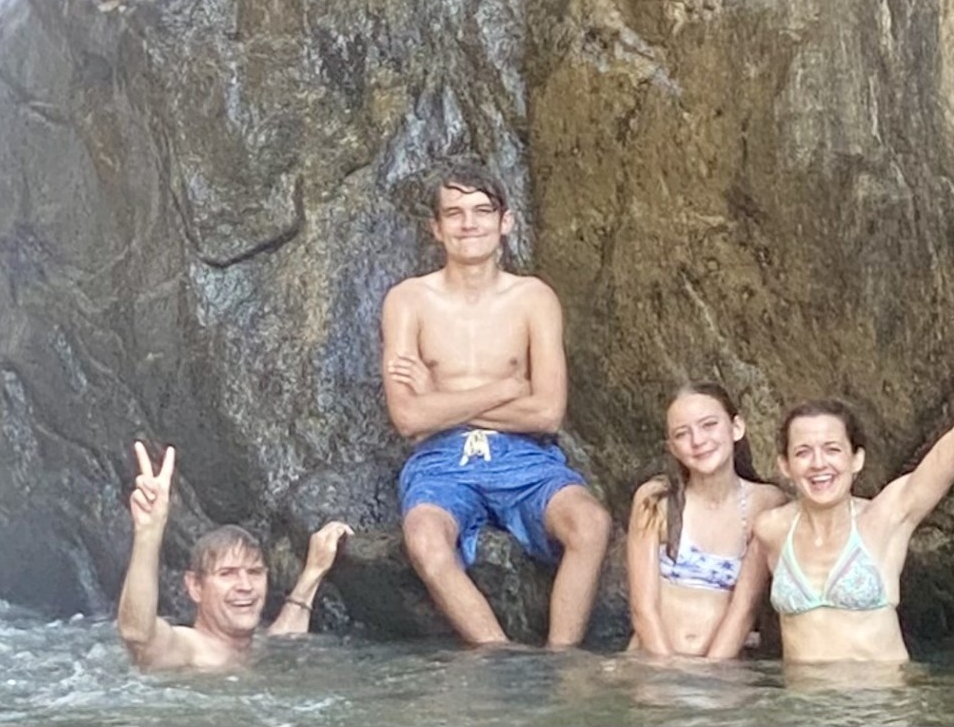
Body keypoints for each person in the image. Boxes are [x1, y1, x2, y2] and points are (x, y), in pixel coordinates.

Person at [381, 157, 611, 647]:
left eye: (482, 211)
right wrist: (506, 389)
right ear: (436, 228)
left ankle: (561, 661)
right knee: (424, 539)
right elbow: (407, 418)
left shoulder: (533, 298)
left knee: (590, 523)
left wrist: (438, 399)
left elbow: (547, 412)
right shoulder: (408, 301)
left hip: (524, 456)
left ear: (505, 222)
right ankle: (501, 655)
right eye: (455, 213)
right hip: (442, 461)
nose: (469, 224)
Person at [754, 282, 954, 666]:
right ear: (784, 466)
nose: (819, 464)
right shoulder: (771, 529)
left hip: (883, 710)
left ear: (857, 459)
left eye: (832, 450)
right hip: (803, 713)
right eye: (803, 452)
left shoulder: (887, 517)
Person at [116, 440, 352, 672]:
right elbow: (138, 635)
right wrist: (148, 532)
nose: (245, 585)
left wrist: (314, 570)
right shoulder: (188, 649)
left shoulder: (258, 647)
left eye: (254, 572)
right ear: (195, 586)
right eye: (227, 573)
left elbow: (285, 638)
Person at [625, 382, 786, 657]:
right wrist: (666, 671)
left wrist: (710, 673)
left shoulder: (767, 502)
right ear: (673, 447)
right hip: (652, 662)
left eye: (709, 425)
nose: (698, 441)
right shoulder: (656, 498)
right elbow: (643, 609)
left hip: (721, 667)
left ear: (736, 428)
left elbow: (744, 609)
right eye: (682, 434)